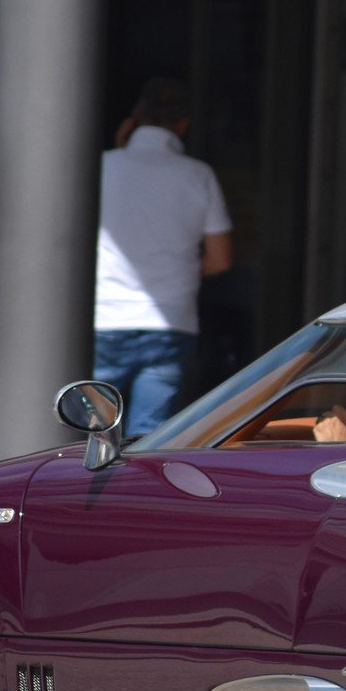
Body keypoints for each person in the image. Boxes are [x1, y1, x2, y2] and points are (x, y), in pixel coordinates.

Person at [94, 77, 233, 437]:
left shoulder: (100, 167)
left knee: (88, 435)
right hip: (170, 322)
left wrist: (119, 148)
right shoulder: (198, 175)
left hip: (105, 319)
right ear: (183, 124)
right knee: (147, 440)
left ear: (135, 116)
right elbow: (220, 260)